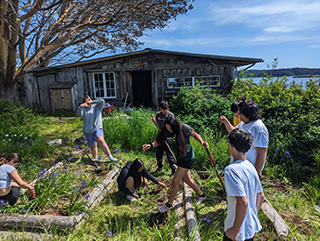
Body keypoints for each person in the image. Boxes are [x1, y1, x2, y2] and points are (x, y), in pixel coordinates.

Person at [143, 115, 209, 212]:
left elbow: (194, 134)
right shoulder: (165, 131)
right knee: (187, 179)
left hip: (188, 158)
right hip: (179, 158)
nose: (169, 129)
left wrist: (202, 142)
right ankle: (202, 195)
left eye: (170, 128)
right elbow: (159, 141)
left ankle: (169, 204)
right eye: (167, 127)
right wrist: (151, 145)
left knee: (175, 181)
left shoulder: (184, 128)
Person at [224, 128, 265, 241]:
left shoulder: (231, 170)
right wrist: (252, 216)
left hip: (236, 229)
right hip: (250, 227)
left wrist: (236, 229)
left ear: (231, 146)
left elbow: (243, 202)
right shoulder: (251, 166)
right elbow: (260, 195)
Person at [219, 97, 269, 179]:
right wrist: (226, 122)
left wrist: (257, 171)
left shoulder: (258, 127)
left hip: (249, 169)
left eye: (241, 113)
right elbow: (235, 133)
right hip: (239, 167)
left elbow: (262, 151)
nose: (239, 115)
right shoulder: (244, 123)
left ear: (247, 114)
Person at [76, 96, 118, 162]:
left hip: (97, 128)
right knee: (93, 146)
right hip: (88, 130)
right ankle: (96, 160)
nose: (88, 102)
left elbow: (102, 101)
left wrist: (92, 102)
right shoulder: (84, 109)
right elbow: (78, 114)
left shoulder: (97, 106)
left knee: (101, 140)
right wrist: (80, 107)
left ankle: (111, 157)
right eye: (86, 101)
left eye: (89, 100)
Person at [151, 100, 176, 175]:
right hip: (160, 137)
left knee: (169, 154)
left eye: (166, 109)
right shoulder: (158, 115)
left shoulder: (171, 115)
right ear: (160, 108)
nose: (165, 111)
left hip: (168, 137)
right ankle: (160, 167)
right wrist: (154, 122)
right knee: (159, 153)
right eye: (163, 109)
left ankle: (173, 170)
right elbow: (158, 126)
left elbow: (174, 127)